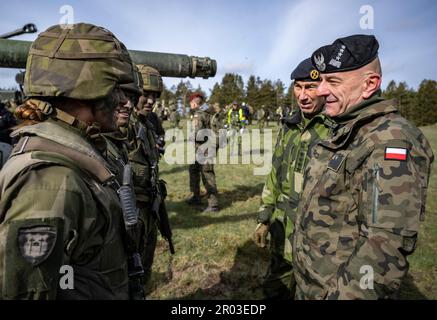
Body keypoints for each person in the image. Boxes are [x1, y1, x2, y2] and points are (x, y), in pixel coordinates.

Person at [0, 23, 143, 300]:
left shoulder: (77, 150)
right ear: (89, 87)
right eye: (119, 89)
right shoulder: (52, 179)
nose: (127, 101)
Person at [293, 34, 434, 300]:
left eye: (333, 81)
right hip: (311, 284)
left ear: (370, 84)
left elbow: (384, 249)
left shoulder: (391, 140)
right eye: (321, 80)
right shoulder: (349, 128)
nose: (321, 90)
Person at [253, 58, 332, 299]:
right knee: (274, 289)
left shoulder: (338, 128)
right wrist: (264, 217)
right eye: (298, 87)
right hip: (282, 229)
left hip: (318, 239)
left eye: (310, 87)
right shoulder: (290, 124)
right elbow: (275, 174)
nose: (303, 95)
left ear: (325, 88)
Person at [186, 92, 219, 212]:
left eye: (190, 103)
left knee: (207, 174)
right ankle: (196, 196)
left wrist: (190, 137)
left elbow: (198, 134)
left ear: (194, 103)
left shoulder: (199, 114)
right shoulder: (208, 111)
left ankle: (213, 204)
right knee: (193, 170)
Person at [136, 65, 165, 149]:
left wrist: (158, 142)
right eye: (145, 95)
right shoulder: (122, 122)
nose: (151, 101)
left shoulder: (152, 117)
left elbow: (161, 134)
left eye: (154, 96)